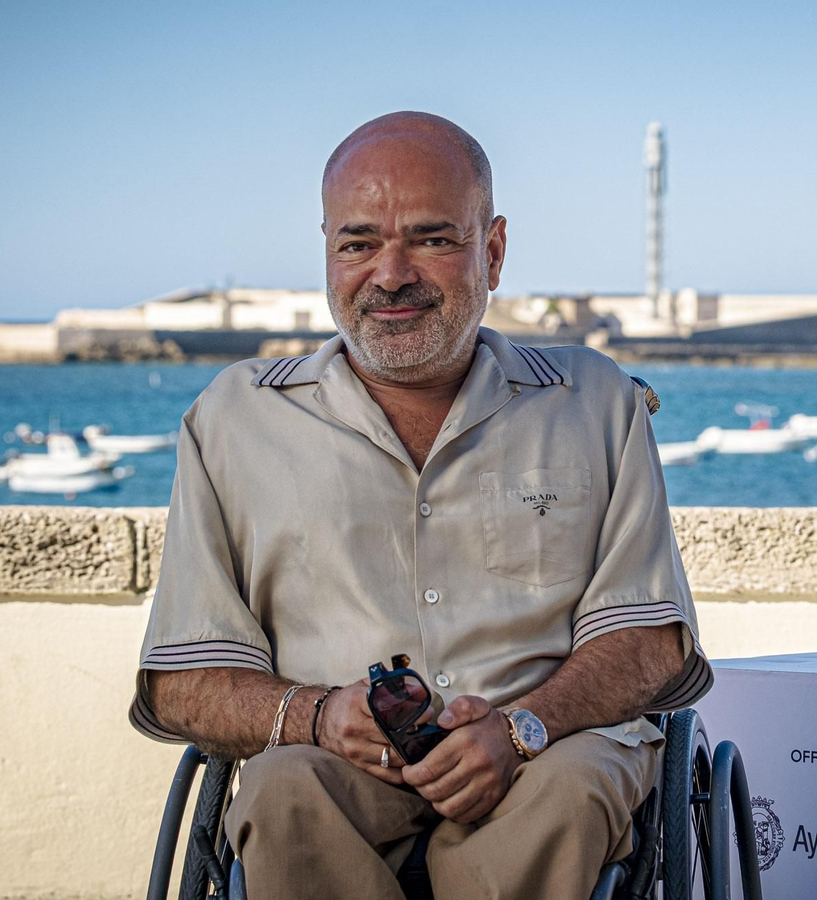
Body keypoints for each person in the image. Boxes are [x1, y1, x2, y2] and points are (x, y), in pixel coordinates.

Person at [129, 111, 712, 900]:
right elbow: (183, 678)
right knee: (282, 792)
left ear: (494, 251)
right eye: (359, 243)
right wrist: (319, 715)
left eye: (433, 240)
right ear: (328, 250)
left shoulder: (594, 401)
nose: (391, 273)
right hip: (335, 761)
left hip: (546, 752)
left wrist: (519, 729)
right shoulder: (235, 420)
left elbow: (649, 641)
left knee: (574, 791)